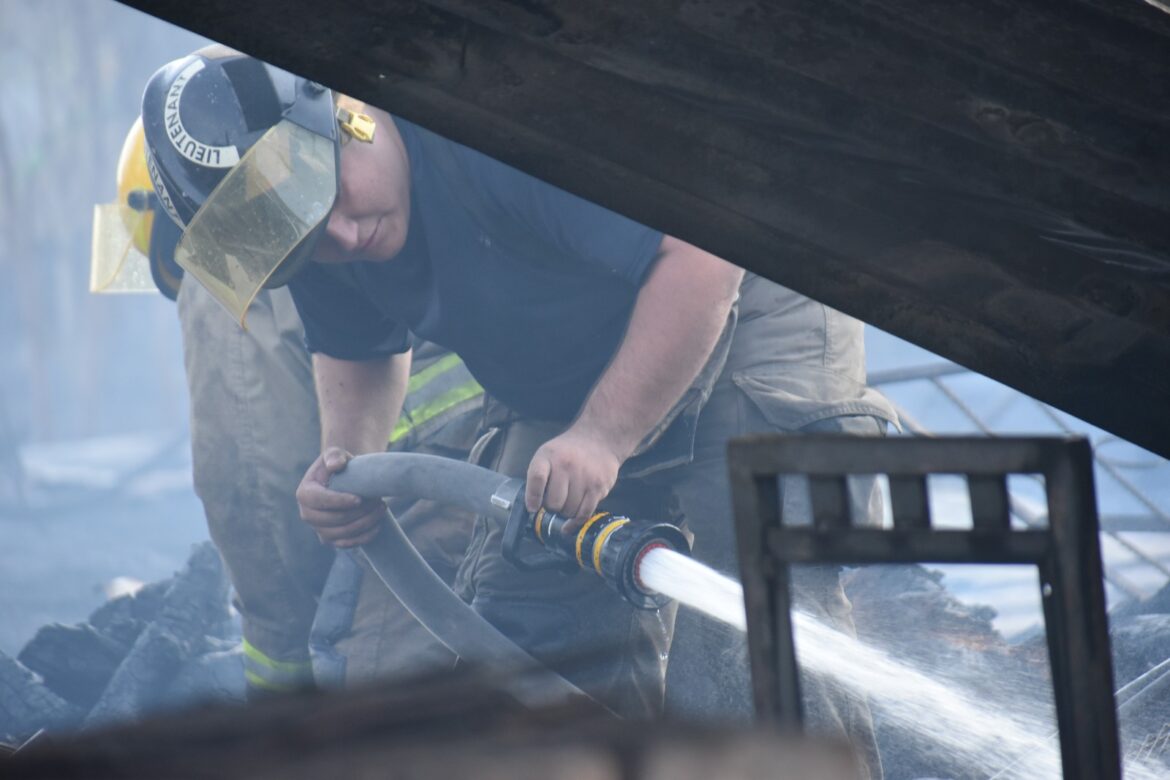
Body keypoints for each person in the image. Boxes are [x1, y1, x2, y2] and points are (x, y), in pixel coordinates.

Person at [141, 47, 898, 775]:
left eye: (333, 196)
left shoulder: (490, 131)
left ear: (348, 113)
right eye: (308, 236)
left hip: (742, 303)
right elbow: (358, 346)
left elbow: (701, 252)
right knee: (530, 651)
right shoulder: (318, 232)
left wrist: (604, 438)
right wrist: (347, 469)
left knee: (750, 628)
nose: (342, 234)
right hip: (574, 378)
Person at [93, 113, 484, 696]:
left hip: (420, 495)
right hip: (511, 462)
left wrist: (280, 669)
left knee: (375, 731)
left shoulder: (227, 265)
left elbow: (253, 480)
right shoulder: (357, 185)